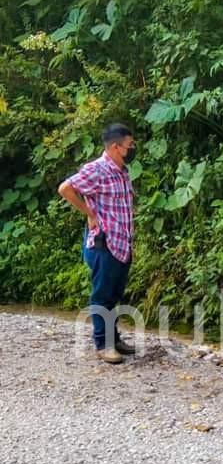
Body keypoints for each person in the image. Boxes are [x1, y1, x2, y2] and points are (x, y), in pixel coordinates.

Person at [58, 123, 137, 364]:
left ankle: (114, 338)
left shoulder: (122, 170)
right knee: (102, 296)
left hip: (122, 243)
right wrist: (89, 213)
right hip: (105, 244)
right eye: (129, 145)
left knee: (113, 295)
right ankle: (103, 344)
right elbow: (66, 188)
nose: (133, 149)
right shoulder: (97, 169)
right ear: (115, 147)